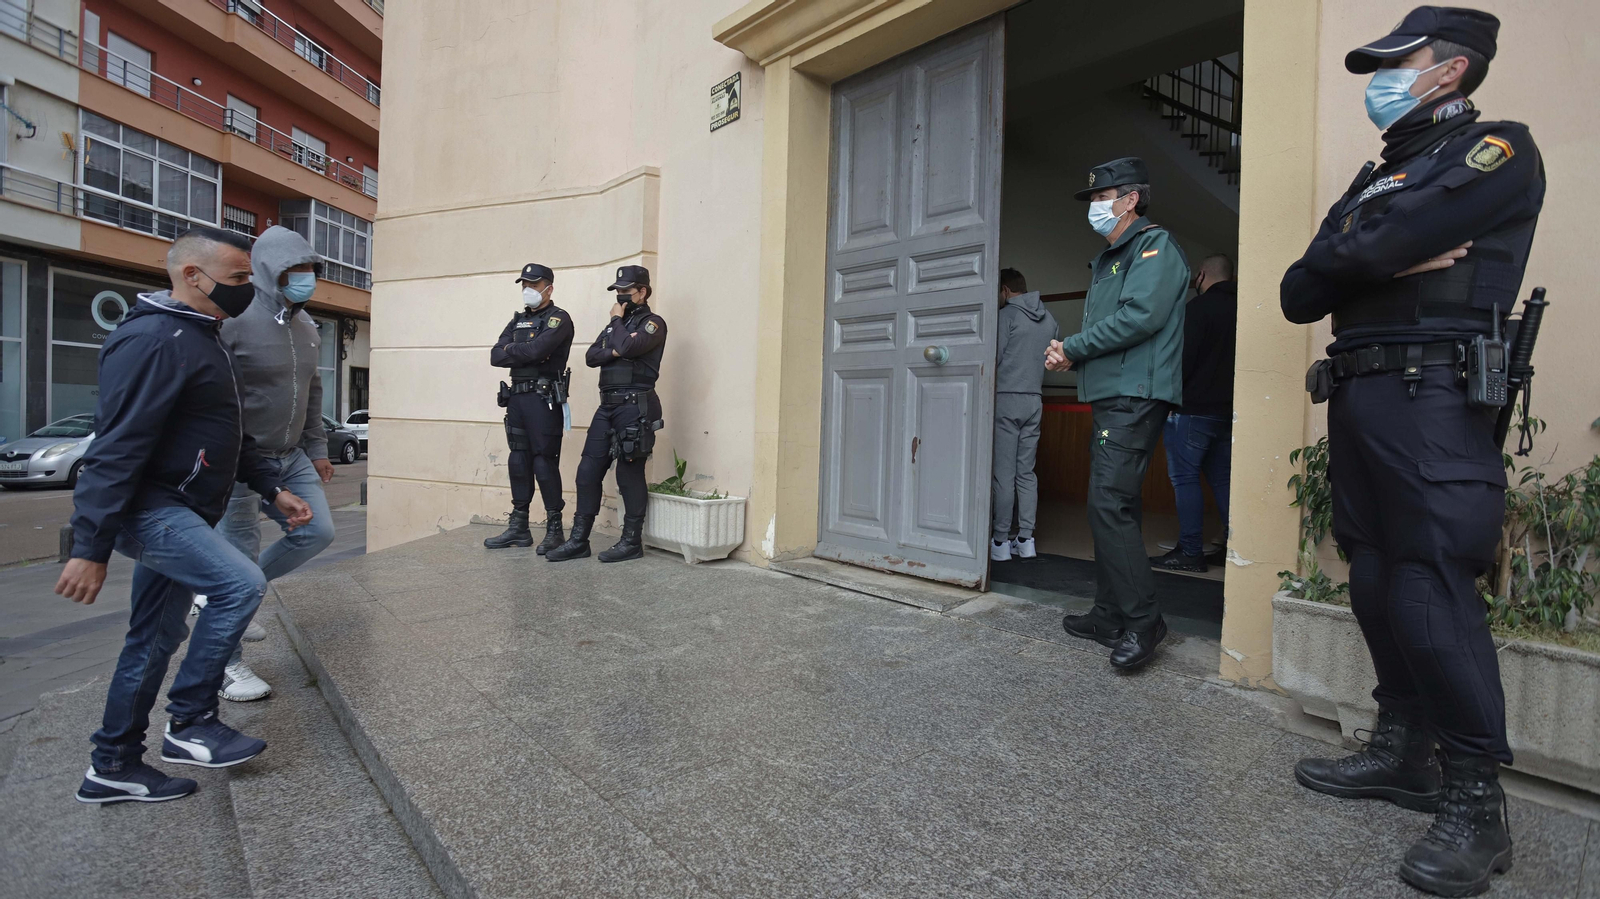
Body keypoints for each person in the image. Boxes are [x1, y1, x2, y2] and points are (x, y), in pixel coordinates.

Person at [1280, 8, 1543, 896]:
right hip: (1360, 392)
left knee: (1429, 583)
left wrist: (1360, 255)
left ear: (1451, 69)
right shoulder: (1379, 173)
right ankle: (1403, 750)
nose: (1383, 78)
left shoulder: (1497, 149)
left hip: (1435, 393)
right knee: (1373, 575)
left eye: (1401, 61)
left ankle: (1476, 802)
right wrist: (1379, 258)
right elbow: (1296, 290)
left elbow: (1363, 250)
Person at [56, 227, 312, 804]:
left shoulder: (203, 336)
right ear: (193, 275)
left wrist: (272, 488)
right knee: (239, 583)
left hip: (185, 508)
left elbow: (227, 431)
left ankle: (113, 763)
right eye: (239, 277)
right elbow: (115, 449)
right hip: (155, 508)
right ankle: (191, 721)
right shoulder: (154, 340)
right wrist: (91, 548)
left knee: (154, 638)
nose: (248, 288)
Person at [1045, 156, 1190, 671]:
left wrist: (1073, 347)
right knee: (1108, 503)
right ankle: (1109, 614)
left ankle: (1143, 621)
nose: (1095, 207)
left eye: (1102, 198)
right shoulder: (1112, 257)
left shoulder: (1154, 246)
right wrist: (1073, 355)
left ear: (1131, 200)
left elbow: (1140, 317)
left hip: (1135, 394)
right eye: (1092, 199)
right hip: (1113, 394)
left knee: (1110, 504)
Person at [204, 225, 337, 703]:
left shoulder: (307, 327)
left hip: (291, 455)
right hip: (241, 460)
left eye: (308, 269)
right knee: (237, 554)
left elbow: (313, 391)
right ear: (266, 271)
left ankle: (230, 592)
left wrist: (317, 448)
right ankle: (226, 666)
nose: (304, 278)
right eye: (292, 270)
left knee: (317, 532)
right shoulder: (233, 320)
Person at [546, 265, 666, 563]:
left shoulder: (653, 323)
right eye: (618, 291)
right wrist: (614, 350)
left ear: (643, 292)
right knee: (587, 471)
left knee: (628, 473)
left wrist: (616, 323)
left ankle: (631, 542)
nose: (621, 296)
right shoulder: (618, 325)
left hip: (635, 405)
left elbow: (628, 345)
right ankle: (579, 541)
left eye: (626, 290)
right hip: (607, 406)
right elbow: (591, 356)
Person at [1151, 254, 1236, 573]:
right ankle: (1232, 548)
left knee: (1185, 478)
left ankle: (1190, 551)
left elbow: (1182, 362)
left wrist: (1167, 401)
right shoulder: (1242, 308)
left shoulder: (1197, 309)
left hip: (1192, 409)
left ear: (1200, 276)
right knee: (1223, 480)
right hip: (1226, 411)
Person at [484, 263, 575, 552]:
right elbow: (495, 356)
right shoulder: (518, 320)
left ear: (549, 288)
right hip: (517, 398)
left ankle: (555, 528)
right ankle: (519, 527)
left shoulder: (558, 319)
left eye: (533, 285)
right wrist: (520, 352)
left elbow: (538, 350)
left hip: (542, 399)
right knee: (518, 461)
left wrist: (513, 350)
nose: (528, 290)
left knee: (543, 462)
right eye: (524, 285)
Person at [990, 267, 1058, 562]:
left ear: (1005, 290)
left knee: (1003, 475)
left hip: (1006, 400)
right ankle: (1026, 539)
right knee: (1026, 473)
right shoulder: (1049, 319)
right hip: (1034, 399)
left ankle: (1000, 541)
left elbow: (993, 359)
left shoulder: (1006, 317)